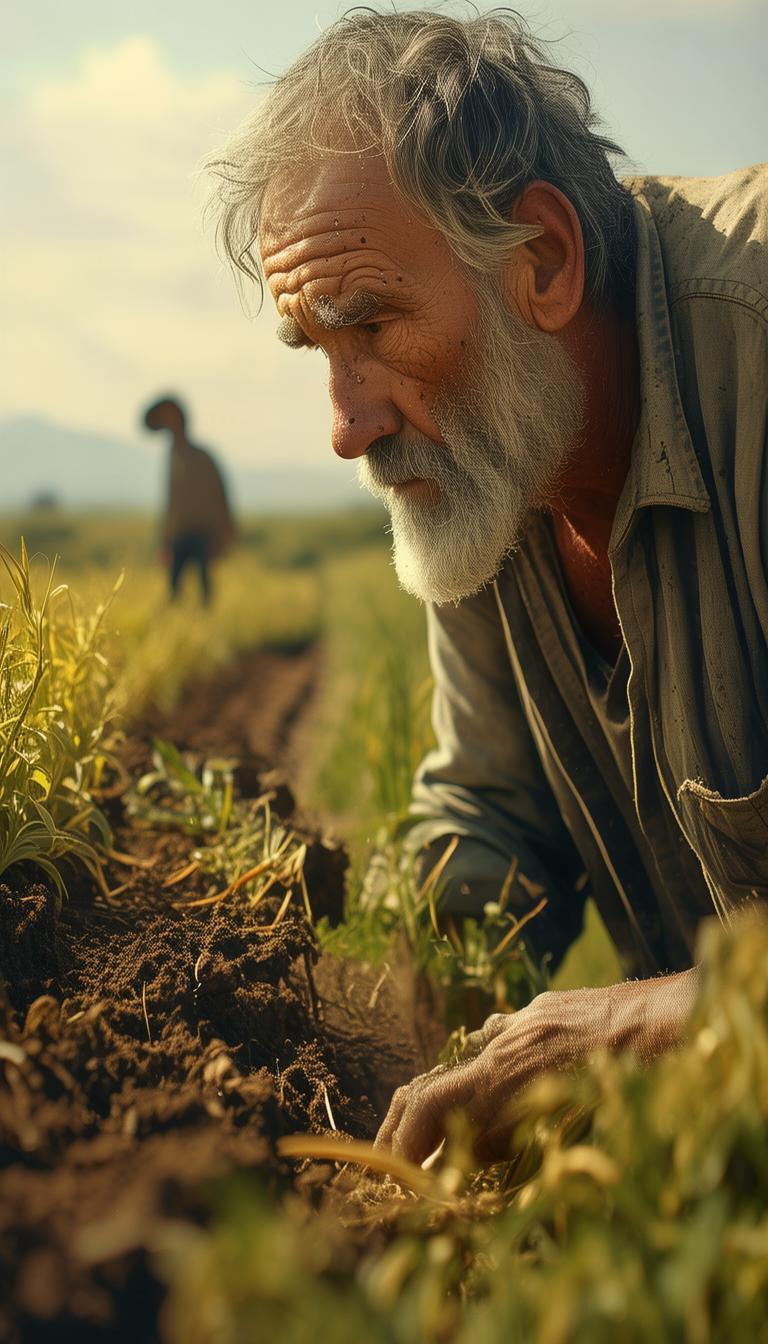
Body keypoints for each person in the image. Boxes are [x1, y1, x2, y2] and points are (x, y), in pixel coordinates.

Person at [205, 10, 768, 1162]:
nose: (347, 424)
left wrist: (629, 1026)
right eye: (318, 347)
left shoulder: (752, 346)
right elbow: (491, 822)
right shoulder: (493, 454)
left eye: (372, 324)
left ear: (544, 262)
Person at [143, 395, 235, 605]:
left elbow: (219, 497)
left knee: (203, 590)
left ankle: (203, 630)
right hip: (181, 537)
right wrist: (166, 541)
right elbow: (172, 504)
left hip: (202, 535)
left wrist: (224, 531)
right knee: (175, 589)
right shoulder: (176, 457)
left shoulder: (200, 458)